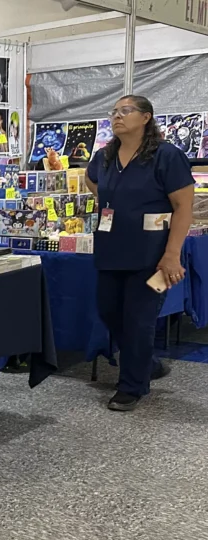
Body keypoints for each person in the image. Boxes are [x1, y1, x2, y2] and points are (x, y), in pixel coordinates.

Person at [85, 94, 194, 411]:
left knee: (139, 320)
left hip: (154, 256)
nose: (117, 116)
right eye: (114, 112)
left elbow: (183, 207)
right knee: (108, 312)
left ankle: (131, 387)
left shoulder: (166, 156)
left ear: (146, 117)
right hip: (111, 249)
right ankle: (145, 362)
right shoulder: (105, 156)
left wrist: (172, 254)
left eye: (126, 111)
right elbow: (92, 181)